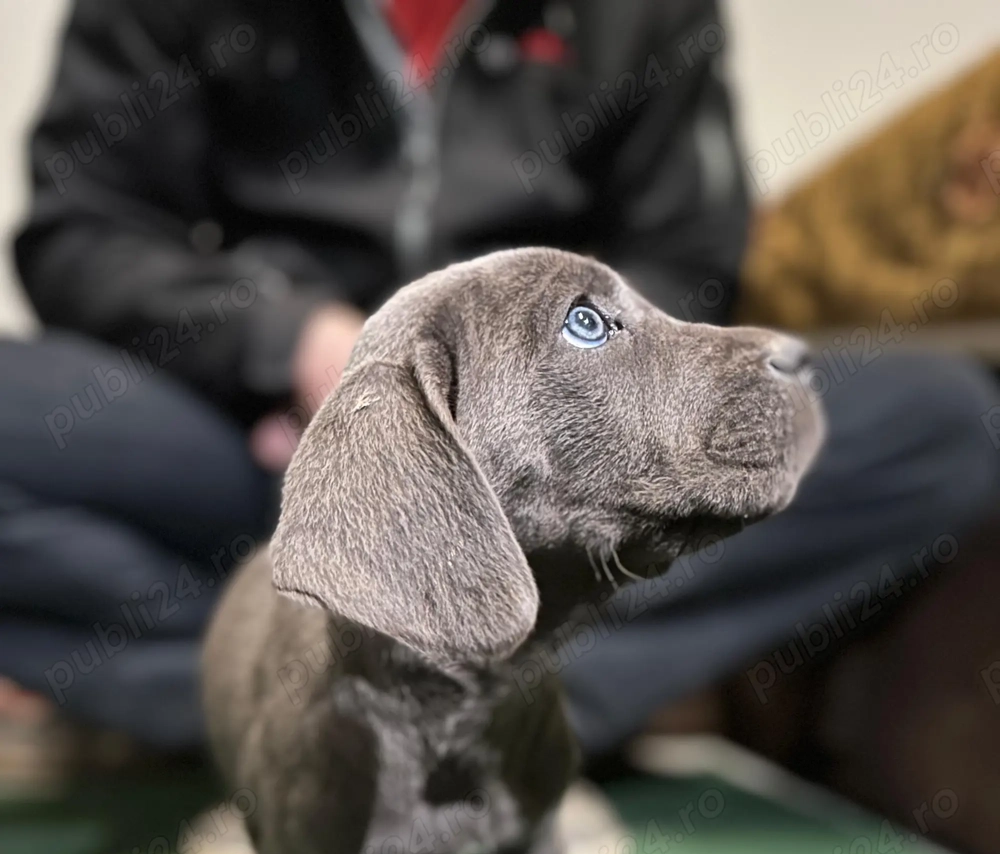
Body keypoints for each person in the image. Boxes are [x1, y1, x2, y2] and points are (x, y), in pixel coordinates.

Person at [2, 0, 998, 762]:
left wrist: (534, 407)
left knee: (938, 421)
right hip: (256, 439)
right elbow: (83, 231)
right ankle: (301, 708)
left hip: (550, 483)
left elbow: (686, 260)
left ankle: (496, 723)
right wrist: (290, 342)